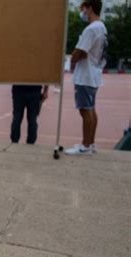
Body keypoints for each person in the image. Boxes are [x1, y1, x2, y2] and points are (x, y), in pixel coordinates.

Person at [65, 0, 107, 155]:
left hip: (86, 75)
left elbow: (80, 51)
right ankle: (91, 143)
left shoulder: (92, 29)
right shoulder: (102, 27)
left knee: (85, 110)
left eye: (82, 9)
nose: (82, 12)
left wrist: (72, 59)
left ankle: (85, 145)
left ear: (90, 9)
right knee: (91, 109)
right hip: (94, 74)